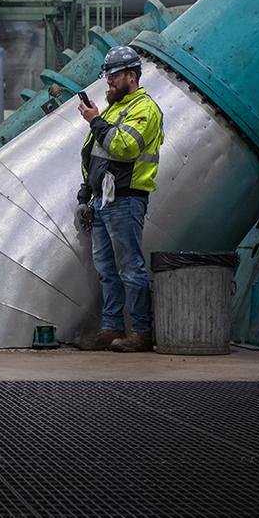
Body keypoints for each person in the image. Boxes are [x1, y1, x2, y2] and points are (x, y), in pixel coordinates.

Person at [74, 45, 164, 353]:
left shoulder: (144, 109)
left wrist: (95, 121)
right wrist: (88, 188)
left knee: (130, 267)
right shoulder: (115, 107)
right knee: (107, 269)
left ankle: (142, 331)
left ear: (131, 76)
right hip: (104, 200)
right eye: (108, 76)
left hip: (126, 200)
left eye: (113, 77)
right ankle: (111, 326)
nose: (109, 82)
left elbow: (124, 147)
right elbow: (96, 153)